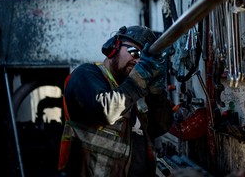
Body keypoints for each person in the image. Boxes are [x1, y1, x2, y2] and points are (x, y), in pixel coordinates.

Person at [58, 25, 174, 177]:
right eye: (134, 52)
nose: (138, 61)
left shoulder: (130, 91)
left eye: (143, 58)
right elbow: (106, 111)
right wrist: (140, 79)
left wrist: (156, 93)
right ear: (113, 48)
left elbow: (160, 126)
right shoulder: (85, 75)